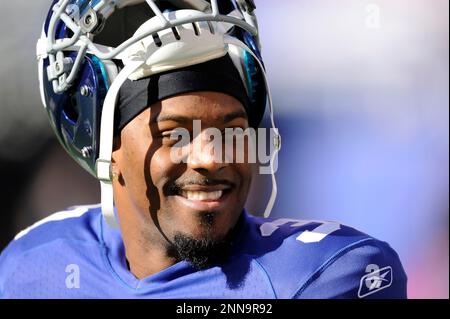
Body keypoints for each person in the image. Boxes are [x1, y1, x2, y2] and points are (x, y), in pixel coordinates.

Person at [0, 0, 407, 298]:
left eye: (230, 128)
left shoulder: (323, 276)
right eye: (175, 133)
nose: (211, 157)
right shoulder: (37, 264)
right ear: (106, 146)